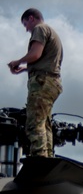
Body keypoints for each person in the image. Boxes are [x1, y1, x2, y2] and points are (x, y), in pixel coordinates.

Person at [9, 9, 63, 158]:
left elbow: (35, 54)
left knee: (34, 124)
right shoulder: (53, 33)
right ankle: (47, 159)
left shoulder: (39, 29)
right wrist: (24, 70)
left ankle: (39, 160)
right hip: (52, 83)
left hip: (42, 83)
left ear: (31, 18)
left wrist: (17, 61)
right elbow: (45, 63)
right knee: (45, 125)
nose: (26, 29)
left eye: (26, 24)